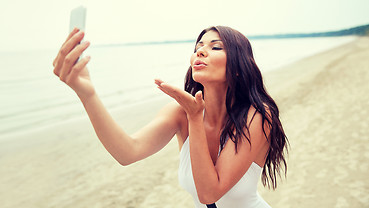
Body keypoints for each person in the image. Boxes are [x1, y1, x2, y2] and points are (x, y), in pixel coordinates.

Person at [53, 26, 288, 208]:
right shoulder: (180, 113)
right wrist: (88, 94)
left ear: (238, 67)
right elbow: (127, 152)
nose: (200, 51)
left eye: (216, 47)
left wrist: (195, 119)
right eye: (198, 47)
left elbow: (210, 193)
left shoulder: (257, 115)